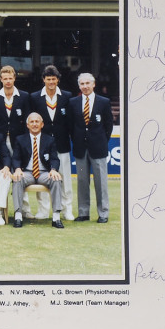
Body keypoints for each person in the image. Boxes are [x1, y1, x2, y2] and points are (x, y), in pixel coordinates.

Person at [30, 65, 74, 220]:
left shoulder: (67, 96)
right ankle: (43, 210)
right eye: (48, 79)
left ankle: (66, 209)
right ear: (44, 80)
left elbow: (70, 121)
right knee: (42, 176)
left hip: (62, 144)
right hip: (42, 146)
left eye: (53, 79)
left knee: (64, 178)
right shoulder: (35, 97)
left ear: (58, 80)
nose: (51, 82)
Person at [68, 72, 113, 223]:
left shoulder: (103, 102)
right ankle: (83, 212)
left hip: (98, 148)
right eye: (82, 84)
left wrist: (101, 140)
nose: (85, 86)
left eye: (88, 83)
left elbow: (108, 126)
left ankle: (103, 213)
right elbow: (71, 125)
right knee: (82, 181)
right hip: (80, 148)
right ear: (79, 86)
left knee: (101, 182)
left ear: (94, 84)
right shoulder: (73, 102)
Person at [10, 112, 64, 229]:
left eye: (37, 122)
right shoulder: (20, 139)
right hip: (27, 172)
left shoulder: (50, 140)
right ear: (27, 125)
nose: (34, 124)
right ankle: (18, 215)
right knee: (17, 178)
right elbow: (16, 158)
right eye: (32, 122)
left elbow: (55, 158)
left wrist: (54, 170)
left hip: (44, 173)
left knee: (56, 179)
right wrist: (18, 169)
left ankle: (56, 217)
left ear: (42, 124)